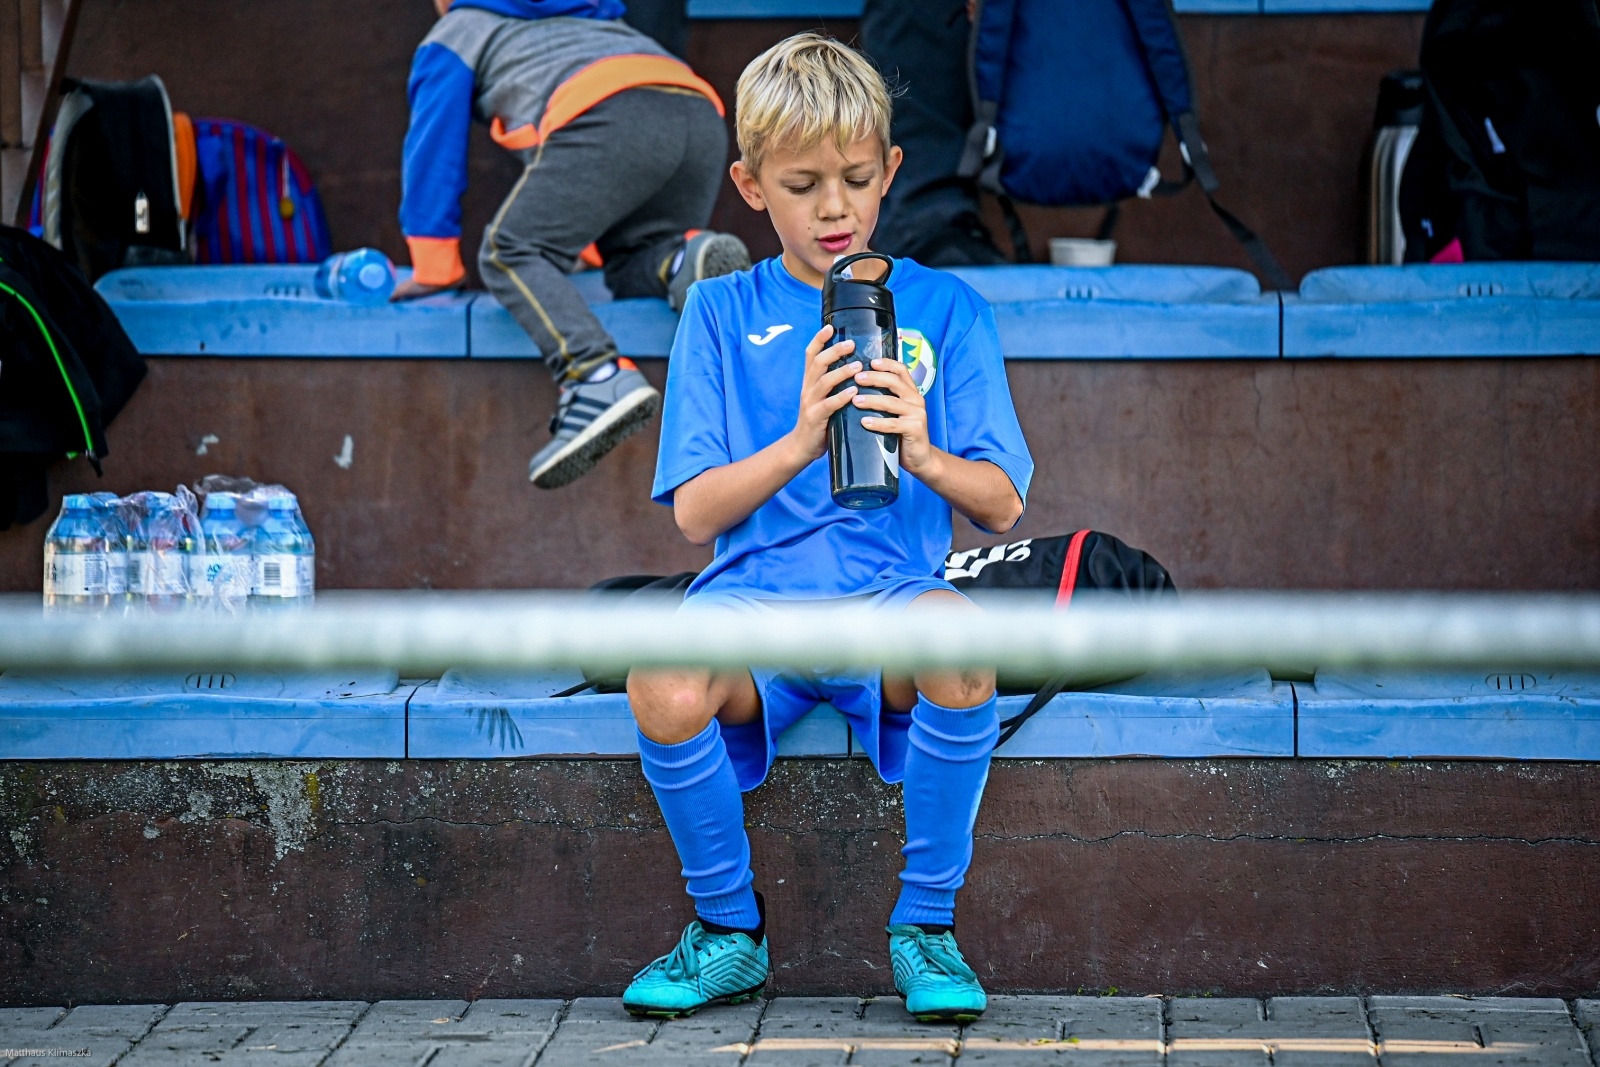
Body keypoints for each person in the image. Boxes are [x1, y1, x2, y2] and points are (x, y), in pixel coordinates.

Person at [620, 33, 1033, 1022]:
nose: (835, 207)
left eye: (855, 178)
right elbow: (693, 516)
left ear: (891, 169)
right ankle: (729, 931)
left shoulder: (946, 306)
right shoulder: (721, 309)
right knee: (659, 677)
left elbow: (1002, 504)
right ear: (751, 186)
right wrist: (804, 438)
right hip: (751, 602)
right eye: (802, 184)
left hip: (890, 595)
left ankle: (924, 923)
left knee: (964, 648)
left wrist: (924, 451)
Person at [393, 0, 751, 489]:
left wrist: (433, 263)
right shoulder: (594, 15)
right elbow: (564, 167)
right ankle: (681, 258)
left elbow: (433, 148)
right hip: (696, 109)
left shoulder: (458, 30)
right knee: (629, 259)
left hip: (608, 112)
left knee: (509, 251)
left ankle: (596, 377)